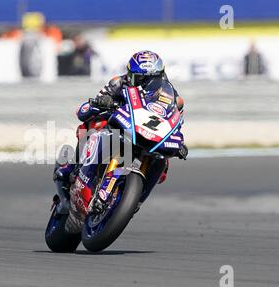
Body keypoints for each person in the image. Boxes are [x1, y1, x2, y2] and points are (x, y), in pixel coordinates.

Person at [54, 50, 188, 191]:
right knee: (92, 123)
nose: (137, 81)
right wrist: (102, 102)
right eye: (134, 76)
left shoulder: (171, 96)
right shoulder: (118, 82)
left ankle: (138, 199)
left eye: (144, 79)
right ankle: (73, 167)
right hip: (120, 124)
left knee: (163, 164)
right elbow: (84, 110)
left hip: (147, 133)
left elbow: (175, 122)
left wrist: (180, 142)